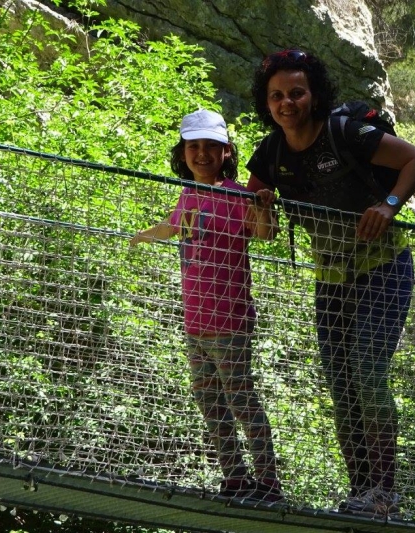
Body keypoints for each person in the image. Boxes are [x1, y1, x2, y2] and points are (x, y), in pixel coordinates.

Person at [245, 49, 415, 517]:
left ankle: (384, 494)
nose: (287, 103)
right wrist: (262, 209)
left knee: (368, 374)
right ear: (266, 103)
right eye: (276, 96)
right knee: (341, 385)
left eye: (296, 93)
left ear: (314, 95)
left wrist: (389, 205)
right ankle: (360, 492)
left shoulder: (344, 132)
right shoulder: (269, 155)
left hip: (383, 265)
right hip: (330, 277)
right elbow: (260, 231)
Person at [130, 109, 283, 503]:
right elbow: (173, 226)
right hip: (195, 322)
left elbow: (265, 233)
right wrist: (142, 235)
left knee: (241, 399)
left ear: (226, 151)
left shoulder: (237, 194)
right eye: (193, 146)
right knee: (210, 402)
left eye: (210, 146)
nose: (201, 154)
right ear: (182, 153)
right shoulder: (188, 194)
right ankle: (235, 478)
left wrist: (264, 206)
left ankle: (268, 483)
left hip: (229, 320)